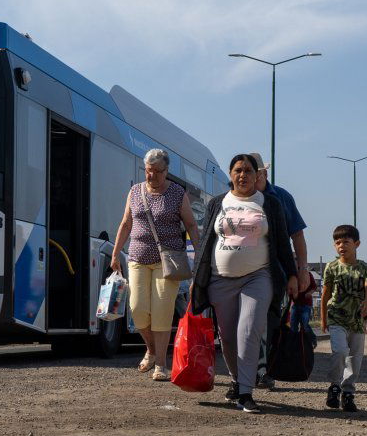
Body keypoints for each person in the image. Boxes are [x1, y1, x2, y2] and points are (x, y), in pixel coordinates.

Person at [191, 154, 298, 414]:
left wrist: (293, 274)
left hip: (258, 277)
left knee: (248, 332)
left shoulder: (269, 203)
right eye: (238, 170)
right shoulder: (217, 203)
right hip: (220, 279)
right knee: (227, 337)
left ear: (257, 175)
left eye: (248, 170)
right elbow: (205, 242)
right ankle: (237, 381)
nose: (243, 175)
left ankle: (246, 393)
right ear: (230, 174)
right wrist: (197, 278)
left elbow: (282, 242)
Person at [110, 148, 200, 380]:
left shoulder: (177, 193)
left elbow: (191, 225)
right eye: (149, 171)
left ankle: (161, 364)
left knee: (162, 311)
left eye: (157, 171)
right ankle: (150, 349)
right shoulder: (135, 191)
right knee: (137, 308)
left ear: (166, 170)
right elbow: (126, 223)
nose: (152, 176)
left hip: (167, 261)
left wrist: (199, 255)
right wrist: (115, 253)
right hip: (137, 259)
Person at [249, 154, 310, 390]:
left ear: (264, 174)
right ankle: (247, 370)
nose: (248, 178)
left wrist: (302, 270)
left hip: (276, 273)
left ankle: (263, 369)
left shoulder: (282, 197)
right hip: (242, 270)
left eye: (254, 173)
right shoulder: (235, 198)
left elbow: (298, 236)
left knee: (268, 321)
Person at [320, 225, 367, 412]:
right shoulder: (332, 267)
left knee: (355, 358)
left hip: (357, 321)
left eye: (345, 242)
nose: (341, 246)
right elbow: (325, 294)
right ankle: (334, 387)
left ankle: (348, 393)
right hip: (337, 317)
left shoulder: (364, 268)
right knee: (340, 351)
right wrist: (323, 318)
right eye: (337, 243)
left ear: (356, 244)